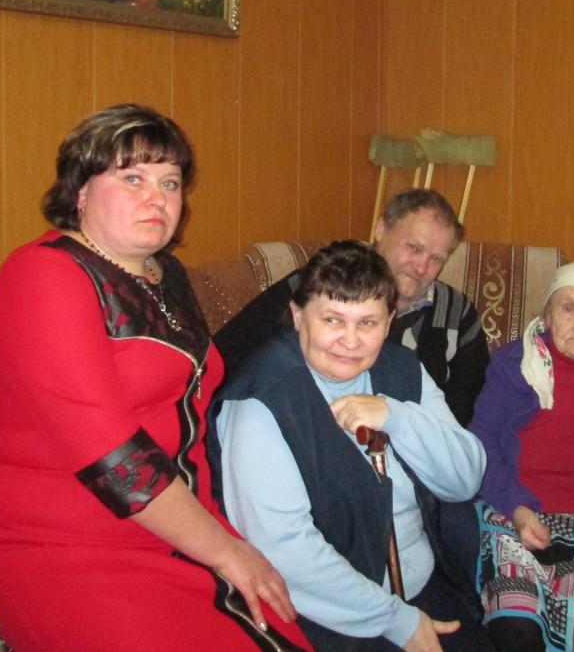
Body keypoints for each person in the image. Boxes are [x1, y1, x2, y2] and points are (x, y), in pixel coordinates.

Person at [0, 104, 308, 651]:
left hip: (179, 532)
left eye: (169, 183)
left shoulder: (163, 273)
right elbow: (116, 462)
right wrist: (226, 550)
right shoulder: (43, 276)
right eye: (133, 179)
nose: (157, 198)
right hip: (70, 554)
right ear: (80, 191)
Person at [210, 240, 491, 651]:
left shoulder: (403, 370)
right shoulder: (260, 400)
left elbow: (465, 479)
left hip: (424, 583)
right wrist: (395, 620)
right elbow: (284, 547)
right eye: (333, 320)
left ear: (389, 322)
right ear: (298, 316)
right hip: (329, 613)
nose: (351, 341)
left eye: (367, 323)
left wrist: (396, 417)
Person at [214, 189, 490, 425]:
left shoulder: (457, 314)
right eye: (414, 248)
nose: (421, 267)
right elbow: (224, 358)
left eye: (436, 259)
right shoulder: (317, 287)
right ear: (381, 229)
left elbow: (469, 412)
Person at [469, 262, 574, 652]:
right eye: (568, 308)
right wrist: (518, 509)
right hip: (513, 511)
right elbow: (482, 444)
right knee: (516, 625)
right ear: (547, 315)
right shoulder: (515, 363)